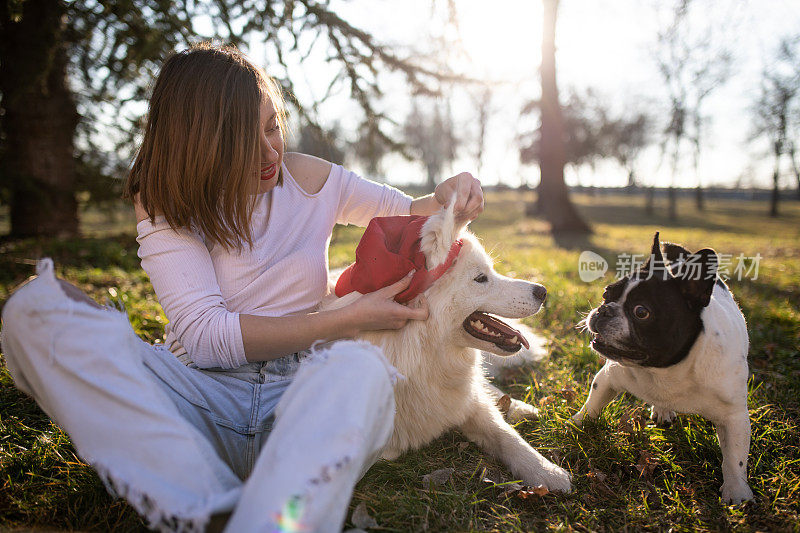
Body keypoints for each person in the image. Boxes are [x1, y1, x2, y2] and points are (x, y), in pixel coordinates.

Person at [0, 43, 483, 533]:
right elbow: (209, 340)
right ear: (198, 145)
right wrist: (349, 319)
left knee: (362, 369)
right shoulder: (167, 200)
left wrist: (447, 200)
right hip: (197, 400)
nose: (270, 151)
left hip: (301, 400)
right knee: (34, 310)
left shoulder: (310, 179)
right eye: (241, 141)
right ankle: (209, 507)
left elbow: (405, 216)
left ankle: (264, 520)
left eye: (272, 125)